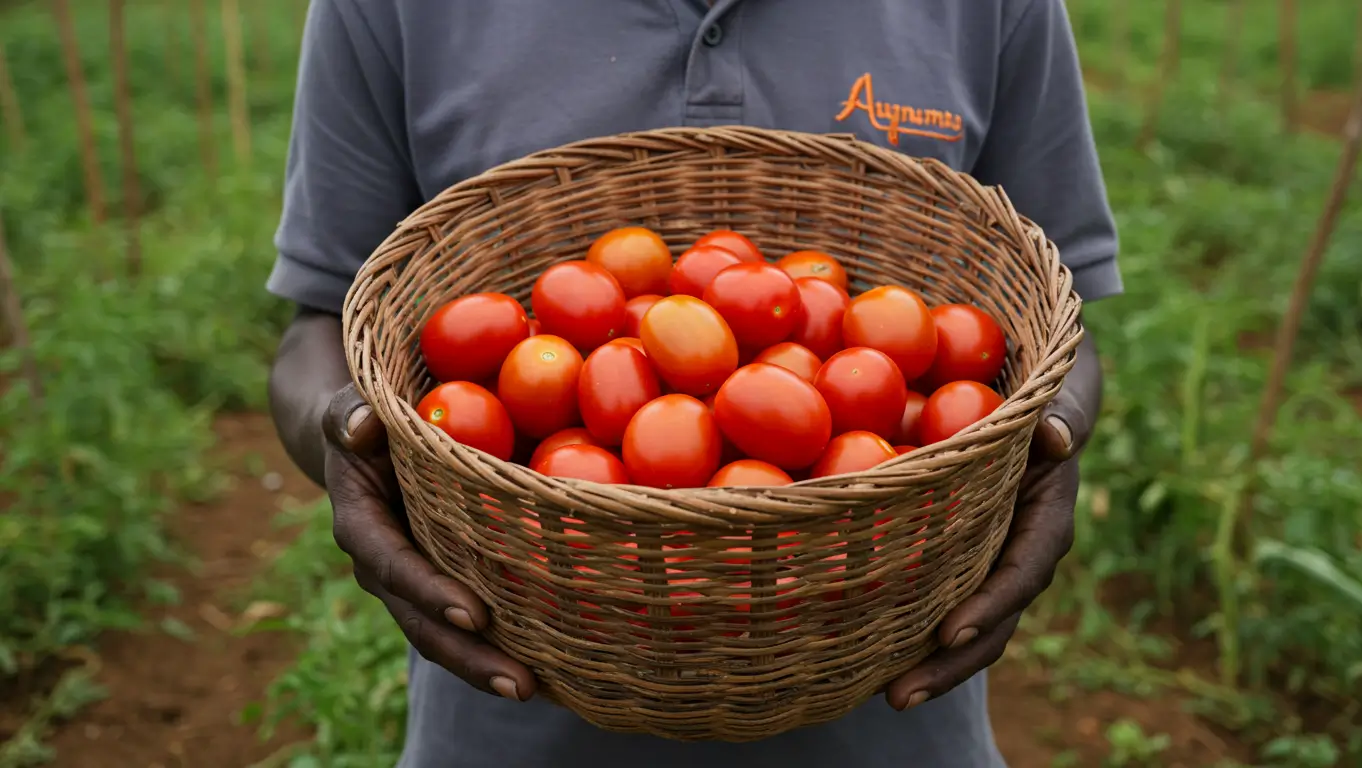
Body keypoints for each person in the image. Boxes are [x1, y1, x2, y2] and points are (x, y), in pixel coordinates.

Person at [266, 1, 1123, 765]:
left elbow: (1057, 331)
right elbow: (319, 332)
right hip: (513, 702)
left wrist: (1045, 440)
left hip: (892, 704)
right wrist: (351, 437)